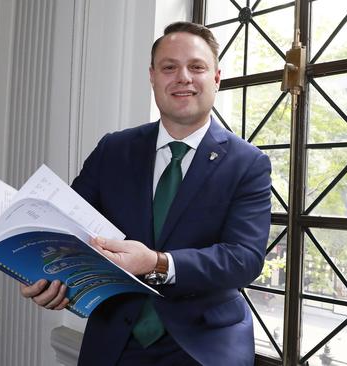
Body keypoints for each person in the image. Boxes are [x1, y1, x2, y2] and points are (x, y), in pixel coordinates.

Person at [19, 21, 272, 366]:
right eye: (169, 67)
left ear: (215, 78)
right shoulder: (113, 149)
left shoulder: (249, 163)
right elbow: (70, 229)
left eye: (196, 67)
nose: (183, 77)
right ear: (152, 77)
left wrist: (157, 263)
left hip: (204, 345)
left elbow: (243, 259)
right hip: (114, 339)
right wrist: (46, 275)